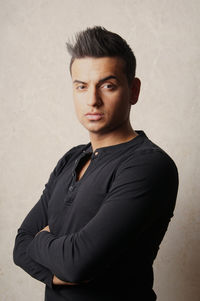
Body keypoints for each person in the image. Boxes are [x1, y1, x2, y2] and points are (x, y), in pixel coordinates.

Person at [13, 26, 179, 301]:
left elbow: (76, 263)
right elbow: (20, 246)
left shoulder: (149, 166)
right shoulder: (70, 158)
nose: (92, 100)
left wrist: (42, 240)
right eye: (81, 86)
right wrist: (58, 272)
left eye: (108, 85)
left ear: (133, 90)